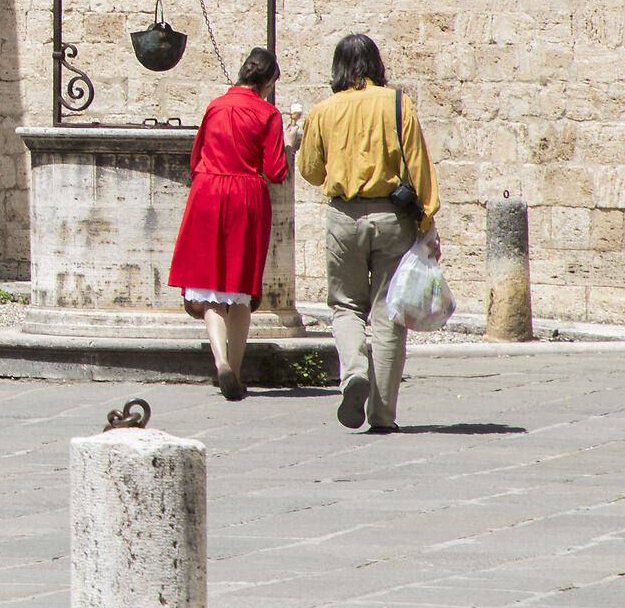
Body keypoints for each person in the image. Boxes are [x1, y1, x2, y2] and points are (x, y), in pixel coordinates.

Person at [297, 33, 438, 433]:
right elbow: (418, 165)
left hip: (344, 217)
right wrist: (427, 223)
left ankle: (354, 372)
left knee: (345, 306)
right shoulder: (398, 104)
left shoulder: (323, 111)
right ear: (376, 65)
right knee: (389, 314)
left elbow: (311, 172)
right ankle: (383, 415)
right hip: (393, 218)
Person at [167, 46, 291, 400]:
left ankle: (219, 361)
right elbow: (275, 171)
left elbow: (196, 158)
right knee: (239, 289)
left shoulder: (215, 106)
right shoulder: (269, 114)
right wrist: (290, 143)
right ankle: (234, 370)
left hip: (207, 193)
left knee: (210, 287)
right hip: (245, 197)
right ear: (268, 82)